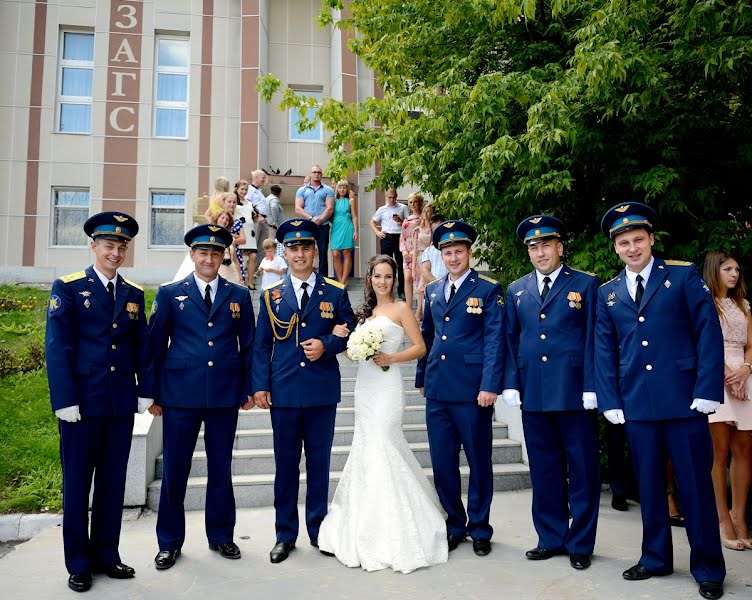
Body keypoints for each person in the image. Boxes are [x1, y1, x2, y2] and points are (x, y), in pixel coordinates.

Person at [595, 202, 726, 600]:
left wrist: (707, 389)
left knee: (695, 487)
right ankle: (655, 558)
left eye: (638, 239)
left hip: (685, 401)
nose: (632, 247)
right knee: (649, 487)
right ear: (615, 248)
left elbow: (708, 334)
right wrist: (610, 398)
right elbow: (604, 348)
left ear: (651, 240)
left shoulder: (683, 277)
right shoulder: (609, 292)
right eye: (624, 242)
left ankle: (708, 567)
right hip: (637, 404)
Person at [318, 255, 448, 573]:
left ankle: (398, 527)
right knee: (366, 448)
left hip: (387, 386)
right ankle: (365, 523)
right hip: (365, 388)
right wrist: (345, 341)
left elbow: (420, 347)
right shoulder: (365, 313)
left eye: (388, 276)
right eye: (377, 276)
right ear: (370, 278)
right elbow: (351, 354)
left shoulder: (402, 308)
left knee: (383, 444)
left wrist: (391, 356)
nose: (382, 282)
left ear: (394, 279)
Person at [142, 224, 255, 571]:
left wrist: (248, 388)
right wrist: (150, 393)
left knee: (221, 468)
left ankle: (221, 534)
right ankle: (169, 542)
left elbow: (248, 345)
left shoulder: (238, 295)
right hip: (180, 395)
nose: (209, 258)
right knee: (176, 469)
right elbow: (154, 346)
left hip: (223, 394)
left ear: (223, 257)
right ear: (192, 255)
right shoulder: (170, 293)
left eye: (215, 252)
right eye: (202, 252)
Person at [45, 211, 148, 592]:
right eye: (109, 245)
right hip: (81, 407)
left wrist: (145, 389)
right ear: (93, 245)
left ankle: (107, 554)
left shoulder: (133, 293)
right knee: (77, 485)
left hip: (119, 405)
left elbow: (142, 347)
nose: (116, 252)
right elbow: (57, 348)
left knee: (111, 483)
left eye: (122, 246)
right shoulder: (69, 287)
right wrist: (64, 399)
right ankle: (79, 562)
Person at [252, 219, 355, 564]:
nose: (300, 254)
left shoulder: (335, 292)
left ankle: (319, 529)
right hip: (282, 391)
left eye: (305, 248)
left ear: (315, 252)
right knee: (285, 466)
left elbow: (351, 331)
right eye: (293, 249)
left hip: (320, 392)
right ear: (285, 253)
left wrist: (326, 344)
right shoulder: (271, 295)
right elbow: (261, 346)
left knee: (319, 463)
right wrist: (261, 386)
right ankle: (285, 534)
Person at [502, 215, 600, 570]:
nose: (540, 252)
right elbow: (511, 340)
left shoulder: (586, 285)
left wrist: (592, 386)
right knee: (544, 468)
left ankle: (580, 542)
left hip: (575, 392)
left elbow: (594, 340)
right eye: (533, 246)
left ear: (560, 247)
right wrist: (511, 382)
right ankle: (550, 537)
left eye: (546, 245)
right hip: (535, 392)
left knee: (582, 468)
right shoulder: (516, 289)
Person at [415, 220, 505, 557]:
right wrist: (422, 377)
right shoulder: (434, 290)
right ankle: (455, 523)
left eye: (458, 251)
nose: (453, 258)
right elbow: (427, 336)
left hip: (472, 391)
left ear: (469, 252)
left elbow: (495, 340)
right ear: (441, 256)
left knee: (479, 460)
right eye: (447, 253)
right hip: (437, 389)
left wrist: (490, 384)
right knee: (442, 462)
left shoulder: (487, 289)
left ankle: (480, 527)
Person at [703, 250, 752, 551]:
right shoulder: (705, 304)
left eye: (736, 269)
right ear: (714, 271)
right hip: (715, 376)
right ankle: (721, 517)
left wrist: (746, 370)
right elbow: (703, 343)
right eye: (727, 269)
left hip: (745, 378)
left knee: (745, 447)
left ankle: (739, 515)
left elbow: (751, 346)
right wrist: (726, 375)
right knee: (719, 451)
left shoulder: (744, 305)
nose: (734, 274)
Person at [295, 165, 335, 276]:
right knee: (305, 251)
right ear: (311, 174)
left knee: (322, 253)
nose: (316, 174)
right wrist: (311, 218)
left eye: (318, 172)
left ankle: (322, 279)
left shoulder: (328, 190)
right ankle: (305, 275)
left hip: (323, 225)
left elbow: (330, 208)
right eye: (314, 172)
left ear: (321, 174)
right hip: (307, 225)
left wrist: (320, 219)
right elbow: (298, 208)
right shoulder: (302, 190)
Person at [370, 188, 409, 299]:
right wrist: (377, 232)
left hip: (399, 237)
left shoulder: (402, 207)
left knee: (401, 264)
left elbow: (408, 223)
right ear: (386, 196)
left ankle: (401, 290)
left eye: (394, 197)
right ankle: (388, 289)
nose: (392, 200)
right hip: (386, 237)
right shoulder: (382, 209)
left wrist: (400, 220)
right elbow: (372, 221)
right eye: (389, 197)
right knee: (386, 264)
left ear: (396, 196)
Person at [330, 180, 358, 286]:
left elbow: (354, 216)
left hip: (347, 225)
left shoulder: (351, 200)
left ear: (347, 189)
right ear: (337, 189)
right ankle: (340, 279)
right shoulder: (334, 201)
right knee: (335, 253)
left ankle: (343, 281)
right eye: (340, 187)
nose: (342, 189)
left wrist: (356, 230)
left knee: (346, 252)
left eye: (344, 187)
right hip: (336, 226)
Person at [400, 193, 424, 310]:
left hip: (418, 252)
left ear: (420, 203)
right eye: (410, 202)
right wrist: (404, 252)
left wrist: (414, 252)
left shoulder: (423, 220)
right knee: (407, 278)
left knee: (419, 280)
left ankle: (419, 309)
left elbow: (424, 237)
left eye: (415, 202)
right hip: (407, 254)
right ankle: (408, 308)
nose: (413, 204)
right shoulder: (406, 220)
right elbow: (402, 237)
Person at [233, 179, 258, 290]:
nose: (244, 191)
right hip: (240, 230)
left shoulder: (249, 202)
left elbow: (252, 215)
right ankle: (240, 280)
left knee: (253, 256)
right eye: (242, 189)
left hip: (251, 231)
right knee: (239, 258)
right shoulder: (233, 201)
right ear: (237, 189)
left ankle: (250, 281)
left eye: (246, 189)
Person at [211, 209, 246, 284]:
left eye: (227, 220)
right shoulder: (210, 237)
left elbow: (235, 260)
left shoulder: (231, 238)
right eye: (222, 218)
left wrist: (240, 278)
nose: (224, 221)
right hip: (218, 271)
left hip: (232, 271)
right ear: (217, 218)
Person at [413, 203, 434, 320]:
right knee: (420, 287)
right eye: (424, 211)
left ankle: (422, 310)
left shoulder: (432, 229)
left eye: (428, 211)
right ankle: (420, 310)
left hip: (429, 257)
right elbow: (415, 248)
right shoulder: (417, 229)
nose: (425, 213)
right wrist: (413, 268)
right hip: (419, 258)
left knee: (425, 284)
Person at [419, 212, 448, 285]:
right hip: (435, 287)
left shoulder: (452, 249)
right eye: (434, 231)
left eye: (439, 230)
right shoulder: (429, 251)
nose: (437, 233)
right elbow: (425, 270)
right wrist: (436, 282)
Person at [246, 169, 271, 242]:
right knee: (254, 242)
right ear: (256, 177)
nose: (264, 180)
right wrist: (258, 216)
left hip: (263, 220)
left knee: (263, 245)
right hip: (256, 219)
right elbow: (248, 204)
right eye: (263, 177)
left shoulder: (259, 191)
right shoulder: (249, 189)